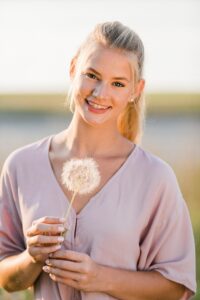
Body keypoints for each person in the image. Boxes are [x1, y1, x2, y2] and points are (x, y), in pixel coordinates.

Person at [0, 21, 196, 300]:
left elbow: (176, 287)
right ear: (72, 70)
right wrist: (31, 257)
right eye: (92, 75)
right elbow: (7, 279)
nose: (100, 93)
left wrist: (101, 278)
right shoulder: (21, 165)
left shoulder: (155, 177)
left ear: (135, 91)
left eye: (118, 83)